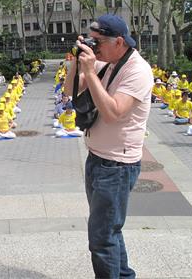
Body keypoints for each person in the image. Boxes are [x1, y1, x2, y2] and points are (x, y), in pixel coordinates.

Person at [64, 14, 153, 279]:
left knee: (102, 239)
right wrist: (76, 63)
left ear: (118, 41)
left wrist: (90, 71)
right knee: (110, 231)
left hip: (116, 166)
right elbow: (70, 92)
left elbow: (114, 112)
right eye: (91, 40)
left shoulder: (138, 70)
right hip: (97, 158)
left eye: (98, 41)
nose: (95, 46)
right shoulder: (108, 62)